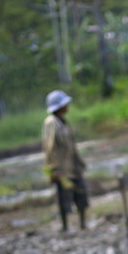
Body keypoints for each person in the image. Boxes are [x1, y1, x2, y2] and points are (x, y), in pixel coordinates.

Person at [42, 89, 88, 232]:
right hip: (62, 168)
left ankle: (82, 224)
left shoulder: (62, 122)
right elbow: (50, 147)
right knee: (63, 198)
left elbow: (71, 146)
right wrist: (54, 168)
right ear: (60, 106)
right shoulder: (52, 123)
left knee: (81, 194)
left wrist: (79, 162)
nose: (67, 105)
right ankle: (65, 226)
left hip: (72, 167)